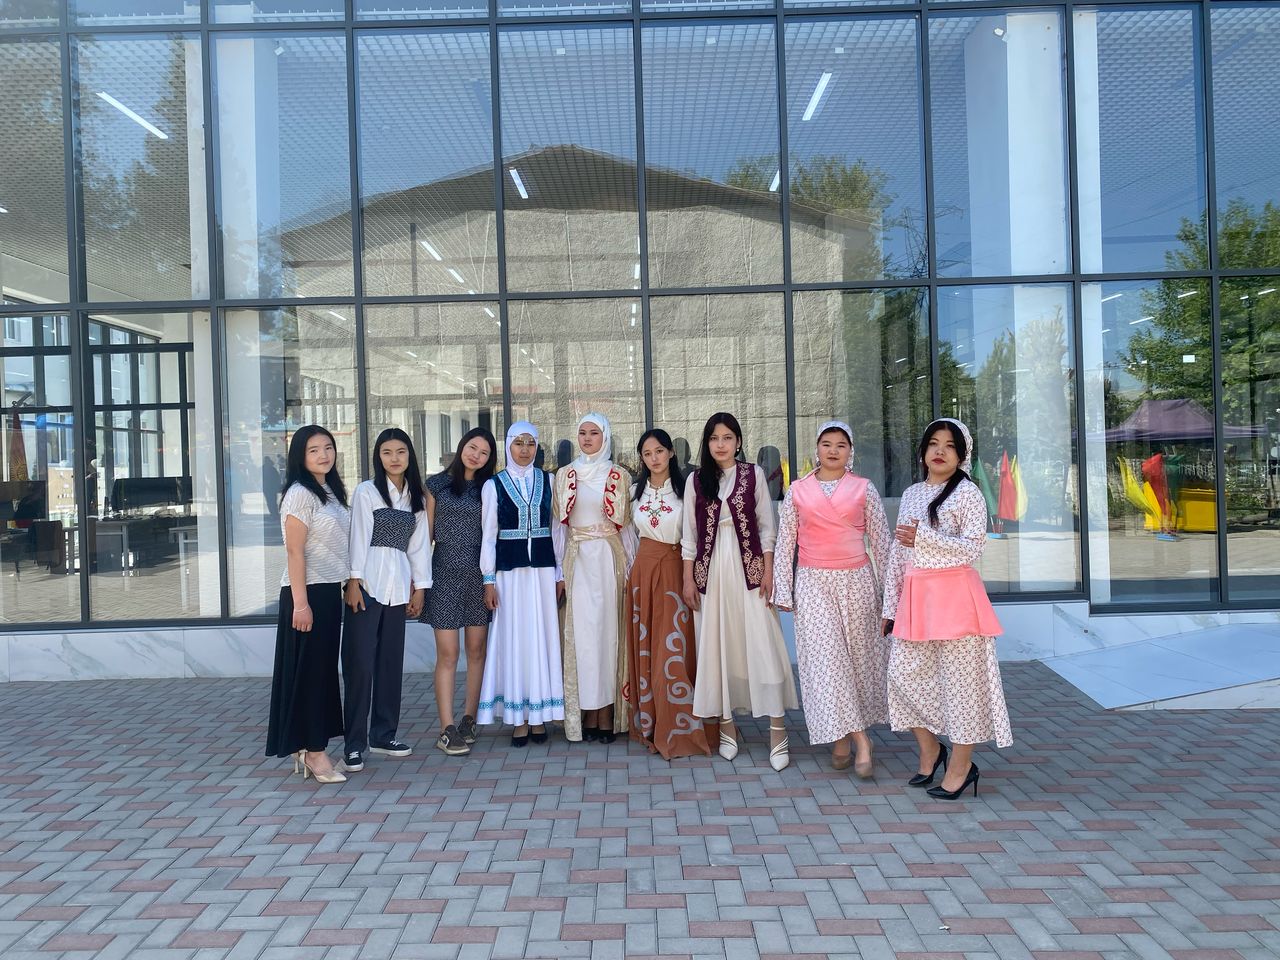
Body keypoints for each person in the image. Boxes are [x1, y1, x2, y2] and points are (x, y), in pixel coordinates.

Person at [882, 417, 1013, 800]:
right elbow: (898, 554)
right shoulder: (911, 494)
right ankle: (930, 750)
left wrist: (924, 537)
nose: (940, 451)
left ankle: (960, 767)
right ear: (923, 451)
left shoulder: (968, 494)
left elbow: (974, 547)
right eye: (933, 443)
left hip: (957, 601)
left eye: (950, 445)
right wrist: (890, 606)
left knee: (961, 687)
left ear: (962, 454)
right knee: (901, 678)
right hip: (916, 601)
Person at [681, 412, 799, 771]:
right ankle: (727, 724)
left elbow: (767, 527)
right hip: (710, 572)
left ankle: (777, 729)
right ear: (707, 443)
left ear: (738, 441)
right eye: (714, 438)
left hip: (750, 569)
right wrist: (688, 579)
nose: (721, 444)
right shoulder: (696, 480)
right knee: (719, 644)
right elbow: (689, 536)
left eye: (727, 437)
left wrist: (768, 570)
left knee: (763, 642)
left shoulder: (754, 474)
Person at [773, 421, 891, 777]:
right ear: (817, 448)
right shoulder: (798, 490)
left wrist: (891, 596)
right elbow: (785, 543)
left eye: (841, 444)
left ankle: (841, 740)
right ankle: (862, 741)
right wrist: (783, 589)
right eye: (827, 443)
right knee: (826, 663)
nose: (833, 450)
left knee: (856, 662)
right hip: (813, 583)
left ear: (850, 451)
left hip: (857, 582)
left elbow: (882, 543)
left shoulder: (864, 489)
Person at [339, 428, 431, 772]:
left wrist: (420, 588)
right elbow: (358, 538)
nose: (394, 458)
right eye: (387, 452)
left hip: (398, 587)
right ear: (378, 457)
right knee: (360, 666)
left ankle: (383, 735)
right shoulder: (367, 491)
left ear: (410, 456)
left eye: (401, 452)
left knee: (390, 664)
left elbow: (419, 546)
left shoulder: (416, 496)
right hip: (368, 586)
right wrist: (353, 581)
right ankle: (354, 744)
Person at [265, 425, 350, 784]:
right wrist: (301, 604)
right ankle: (314, 753)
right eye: (313, 450)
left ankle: (311, 746)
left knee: (321, 673)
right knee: (312, 676)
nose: (323, 455)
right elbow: (294, 551)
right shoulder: (299, 493)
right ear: (300, 456)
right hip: (306, 594)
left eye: (328, 447)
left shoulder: (329, 490)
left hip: (328, 592)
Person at [477, 422, 566, 746]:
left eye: (530, 443)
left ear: (537, 447)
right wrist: (488, 580)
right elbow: (489, 535)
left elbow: (557, 530)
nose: (525, 449)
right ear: (508, 446)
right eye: (518, 443)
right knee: (514, 639)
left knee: (541, 637)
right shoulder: (494, 485)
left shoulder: (550, 481)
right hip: (509, 575)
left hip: (542, 573)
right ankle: (518, 718)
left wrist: (559, 573)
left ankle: (539, 716)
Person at [627, 429, 710, 760]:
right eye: (647, 454)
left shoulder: (687, 489)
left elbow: (693, 536)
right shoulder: (634, 492)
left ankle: (680, 729)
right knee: (648, 651)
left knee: (672, 652)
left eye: (659, 451)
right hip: (642, 574)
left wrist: (690, 579)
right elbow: (628, 537)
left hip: (675, 572)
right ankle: (652, 722)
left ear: (671, 452)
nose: (654, 458)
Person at [553, 413, 634, 744]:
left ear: (606, 437)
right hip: (577, 562)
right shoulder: (564, 475)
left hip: (608, 561)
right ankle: (585, 712)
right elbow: (559, 529)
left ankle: (607, 712)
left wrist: (631, 569)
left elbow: (626, 528)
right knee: (582, 638)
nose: (587, 438)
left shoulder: (619, 475)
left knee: (608, 635)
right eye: (582, 433)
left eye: (594, 433)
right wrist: (559, 571)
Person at [422, 427, 497, 756]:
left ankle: (469, 719)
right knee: (448, 653)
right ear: (462, 446)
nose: (476, 455)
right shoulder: (436, 485)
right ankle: (446, 727)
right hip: (443, 575)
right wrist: (419, 582)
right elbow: (425, 537)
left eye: (484, 452)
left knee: (477, 650)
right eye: (472, 447)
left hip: (478, 576)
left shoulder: (490, 488)